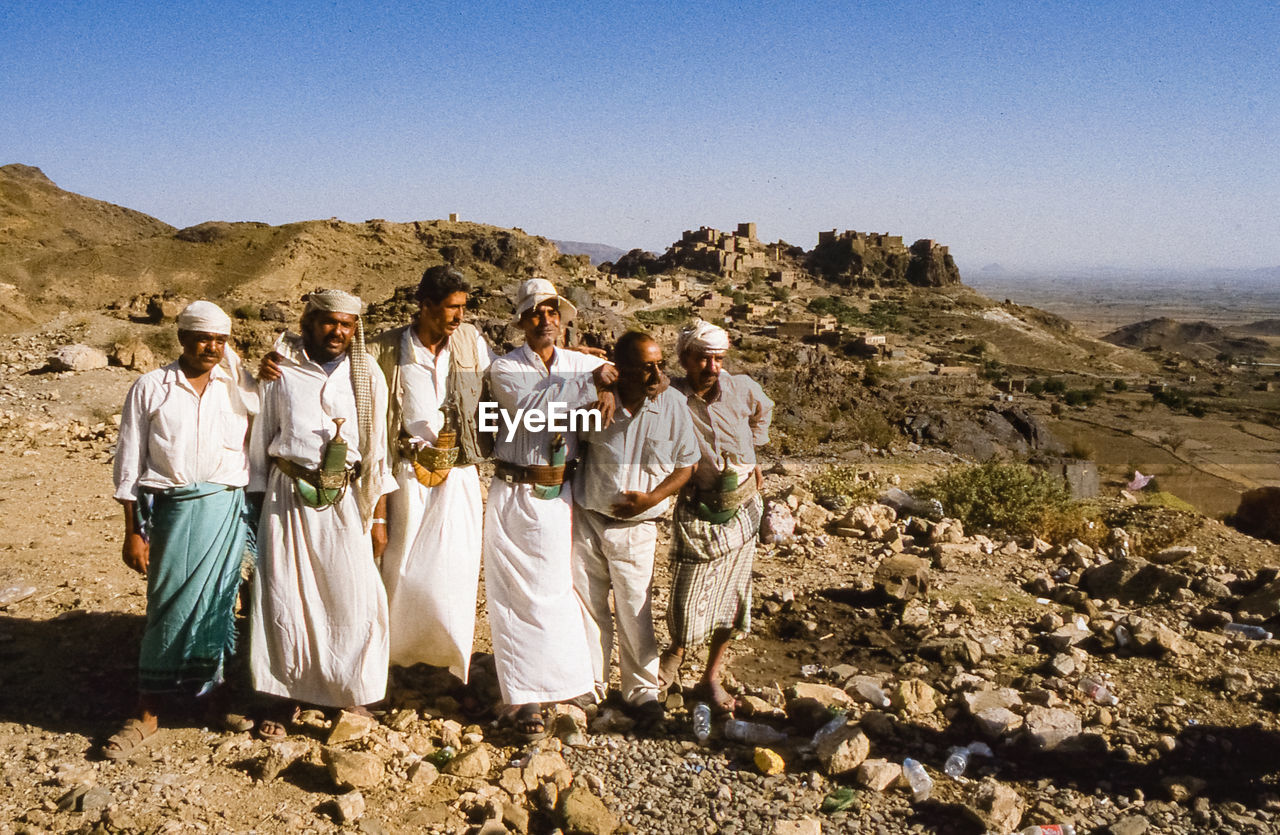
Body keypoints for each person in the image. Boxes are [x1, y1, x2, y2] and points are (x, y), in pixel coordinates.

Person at [105, 301, 259, 758]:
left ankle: (212, 699)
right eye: (203, 337)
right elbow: (129, 463)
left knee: (217, 607)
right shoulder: (152, 387)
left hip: (226, 510)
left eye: (220, 340)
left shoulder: (239, 389)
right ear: (182, 338)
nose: (211, 347)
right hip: (172, 512)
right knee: (166, 606)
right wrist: (133, 531)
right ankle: (147, 711)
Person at [246, 289, 394, 737]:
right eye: (329, 322)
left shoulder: (366, 376)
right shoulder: (281, 369)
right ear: (309, 323)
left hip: (345, 498)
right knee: (283, 595)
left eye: (347, 325)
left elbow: (376, 451)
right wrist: (255, 503)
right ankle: (282, 695)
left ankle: (347, 692)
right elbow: (260, 440)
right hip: (287, 494)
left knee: (352, 594)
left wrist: (380, 516)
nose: (338, 332)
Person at [483, 277, 616, 738]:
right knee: (516, 596)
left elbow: (620, 375)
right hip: (517, 493)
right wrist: (590, 383)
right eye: (536, 313)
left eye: (552, 312)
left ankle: (566, 680)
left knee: (563, 587)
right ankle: (524, 697)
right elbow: (529, 406)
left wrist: (608, 385)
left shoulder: (581, 361)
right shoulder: (504, 368)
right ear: (522, 321)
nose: (545, 320)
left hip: (563, 493)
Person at [367, 265, 494, 683]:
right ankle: (392, 662)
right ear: (424, 307)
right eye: (450, 309)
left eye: (462, 308)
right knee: (400, 568)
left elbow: (505, 382)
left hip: (457, 472)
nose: (458, 317)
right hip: (405, 473)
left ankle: (450, 667)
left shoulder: (471, 344)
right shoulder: (383, 351)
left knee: (455, 571)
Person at [571, 331, 698, 726]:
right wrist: (596, 389)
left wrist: (653, 499)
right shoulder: (594, 404)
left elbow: (686, 465)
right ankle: (589, 684)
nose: (657, 374)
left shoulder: (673, 406)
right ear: (621, 370)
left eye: (660, 365)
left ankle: (641, 692)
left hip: (638, 526)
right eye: (646, 367)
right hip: (589, 517)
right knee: (588, 608)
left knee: (634, 608)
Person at [661, 319, 774, 717]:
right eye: (704, 359)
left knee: (734, 597)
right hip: (699, 507)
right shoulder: (672, 394)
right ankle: (673, 659)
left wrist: (753, 453)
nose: (713, 368)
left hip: (743, 506)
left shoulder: (742, 388)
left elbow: (765, 412)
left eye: (719, 359)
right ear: (686, 359)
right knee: (685, 598)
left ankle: (710, 677)